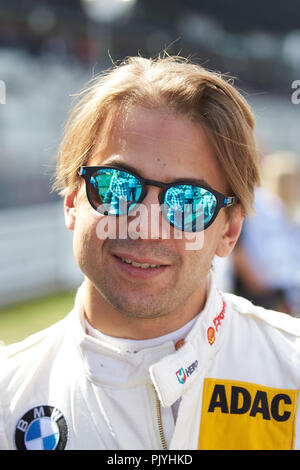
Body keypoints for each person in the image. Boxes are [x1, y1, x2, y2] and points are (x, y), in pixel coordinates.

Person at [1, 55, 300, 451]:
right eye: (118, 185)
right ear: (73, 200)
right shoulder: (9, 395)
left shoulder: (290, 370)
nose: (146, 225)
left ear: (230, 230)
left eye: (188, 200)